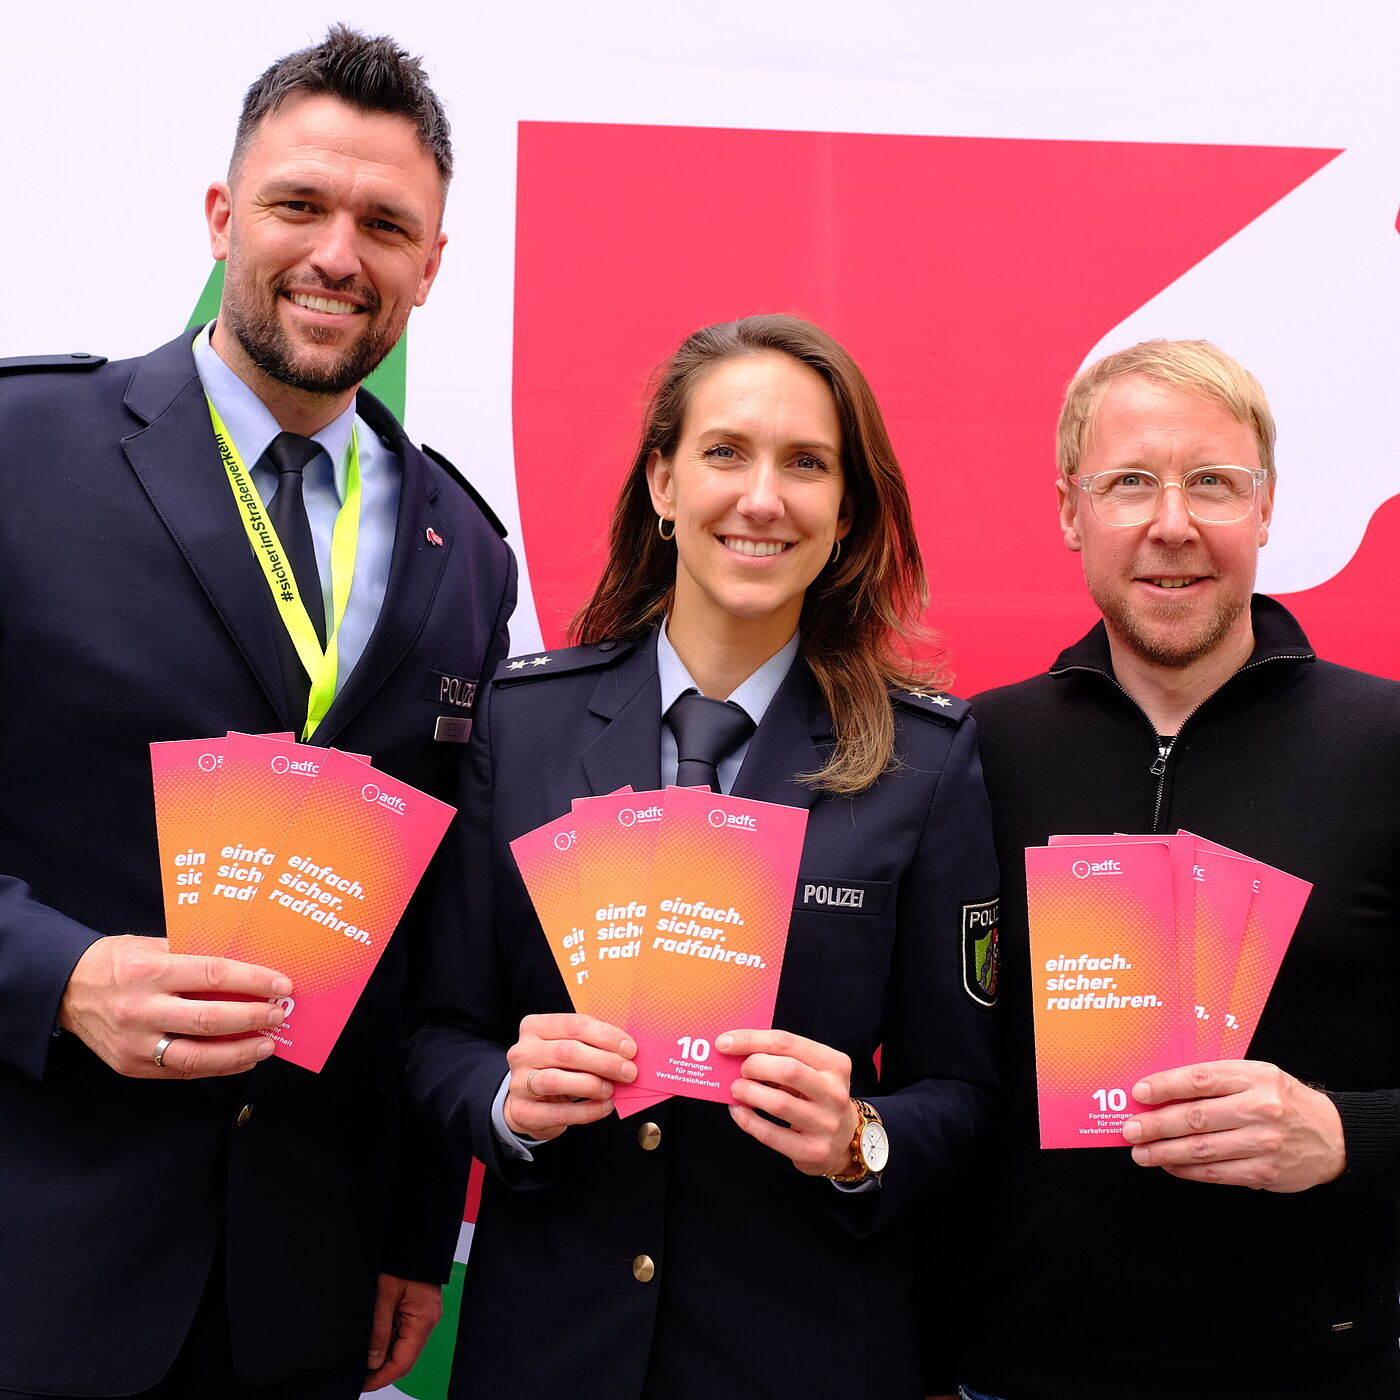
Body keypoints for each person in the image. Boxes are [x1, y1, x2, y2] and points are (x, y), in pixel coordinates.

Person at [0, 27, 515, 1399]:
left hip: (304, 1280)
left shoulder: (466, 550)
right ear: (224, 216)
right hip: (37, 1248)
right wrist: (54, 977)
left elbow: (438, 928)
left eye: (386, 225)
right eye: (300, 205)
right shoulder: (22, 453)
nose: (339, 254)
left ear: (433, 263)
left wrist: (417, 1230)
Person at [407, 313, 1000, 1398]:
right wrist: (503, 1096)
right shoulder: (523, 724)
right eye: (724, 451)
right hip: (549, 1350)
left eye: (806, 464)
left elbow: (962, 1089)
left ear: (846, 512)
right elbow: (437, 1029)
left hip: (806, 1350)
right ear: (662, 483)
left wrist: (858, 1135)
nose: (761, 497)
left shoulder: (923, 758)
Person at [947, 340, 1400, 1399]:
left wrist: (1345, 1133)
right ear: (1068, 510)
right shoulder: (973, 753)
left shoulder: (1384, 745)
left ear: (1265, 506)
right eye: (1128, 482)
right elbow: (933, 1079)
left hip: (1317, 1374)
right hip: (1017, 1373)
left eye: (1211, 482)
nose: (1170, 522)